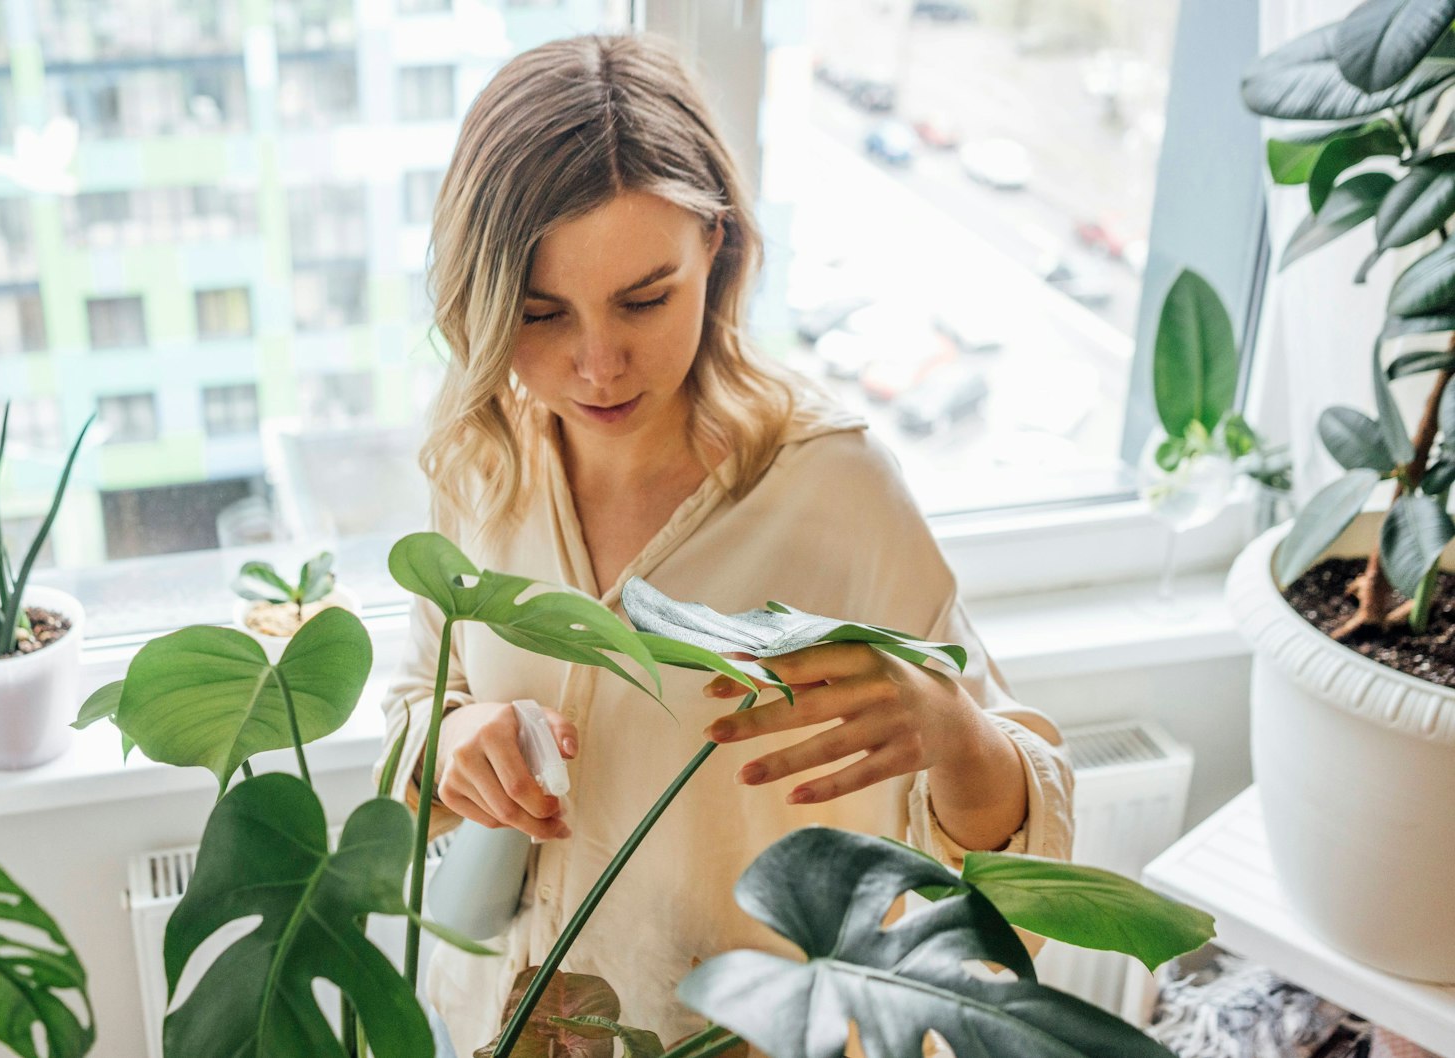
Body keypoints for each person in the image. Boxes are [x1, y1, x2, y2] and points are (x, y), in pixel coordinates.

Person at [373, 33, 1074, 1052]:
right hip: (502, 1026)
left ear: (720, 246)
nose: (596, 363)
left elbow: (1024, 867)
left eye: (643, 299)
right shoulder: (485, 461)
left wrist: (951, 731)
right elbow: (414, 705)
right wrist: (453, 743)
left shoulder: (834, 489)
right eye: (539, 313)